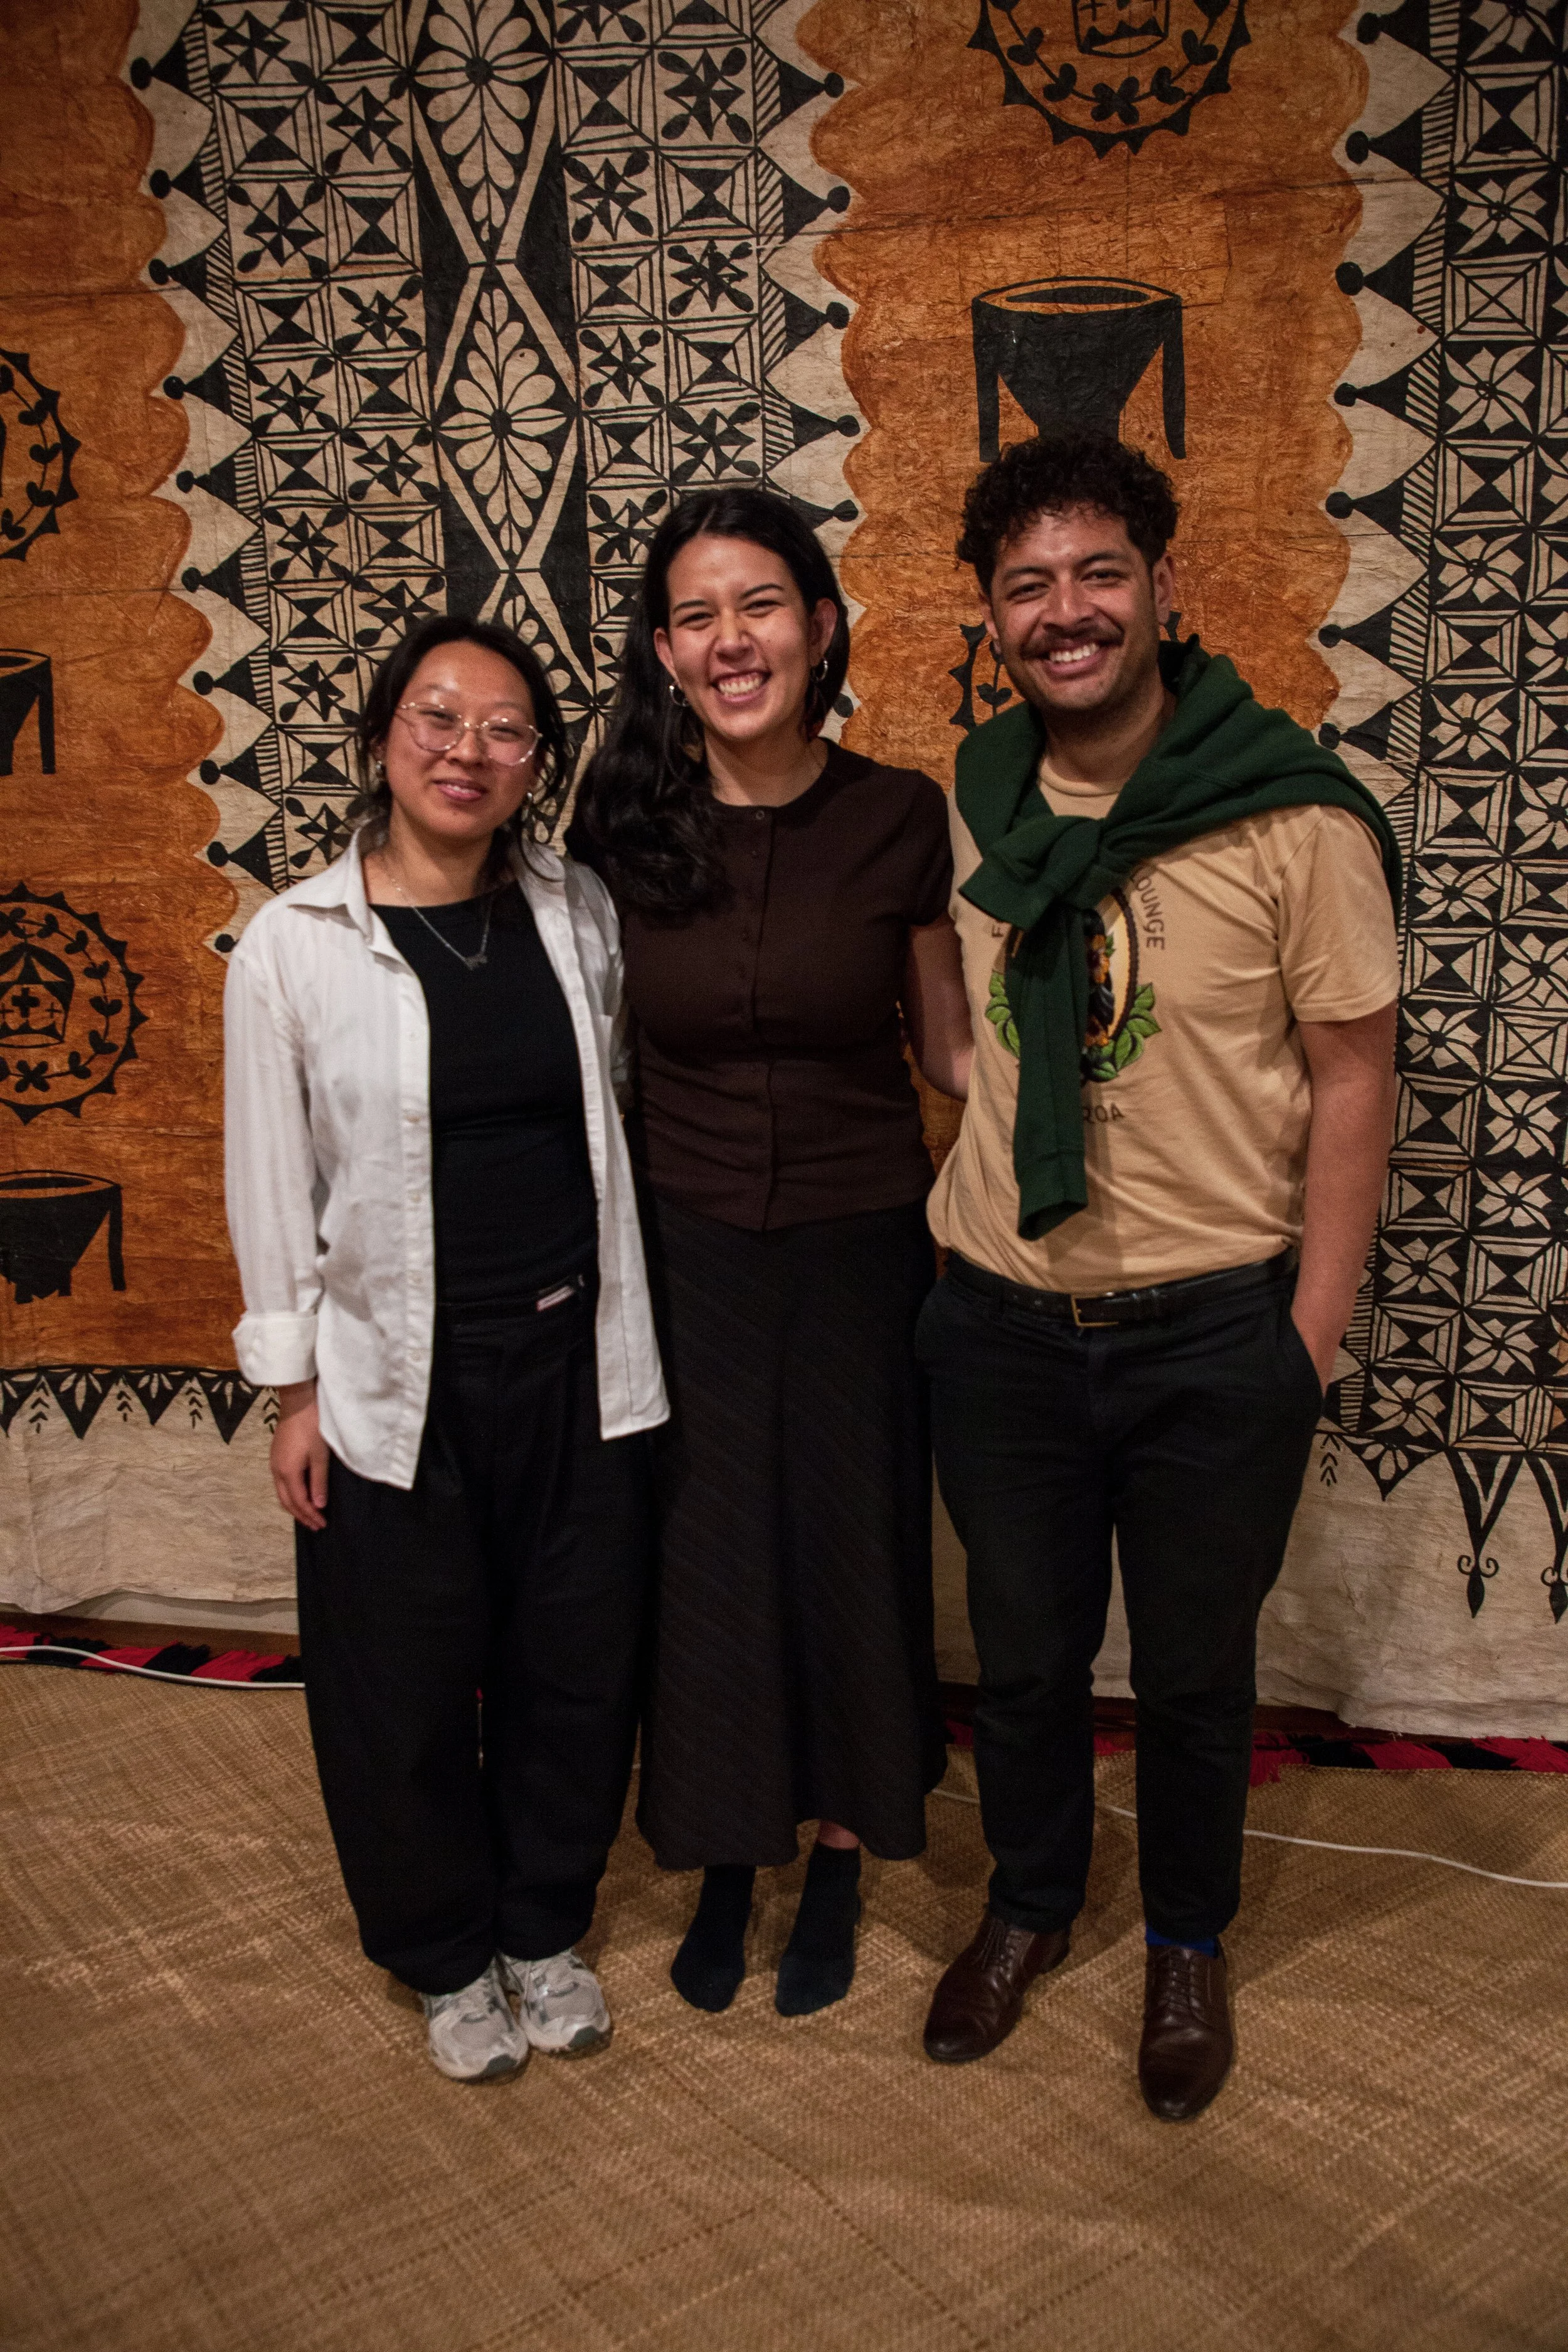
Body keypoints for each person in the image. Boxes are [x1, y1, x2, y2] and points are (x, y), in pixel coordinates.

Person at [918, 433, 1401, 2119]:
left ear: (1162, 586)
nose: (1065, 611)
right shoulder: (975, 796)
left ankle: (1183, 1933)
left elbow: (1355, 1075)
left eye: (1096, 572)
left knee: (1195, 1667)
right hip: (995, 1322)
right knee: (1028, 1653)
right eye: (1027, 586)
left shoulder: (1288, 809)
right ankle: (1032, 1898)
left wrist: (1308, 1337)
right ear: (991, 618)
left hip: (1211, 1330)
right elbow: (960, 1029)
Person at [224, 615, 666, 2084]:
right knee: (398, 1677)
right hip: (386, 1377)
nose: (466, 749)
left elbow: (608, 1121)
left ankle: (541, 1925)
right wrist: (291, 1390)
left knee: (574, 1661)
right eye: (435, 716)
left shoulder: (576, 913)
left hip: (576, 1360)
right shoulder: (293, 945)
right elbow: (269, 1180)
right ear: (378, 739)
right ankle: (439, 1950)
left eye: (503, 728)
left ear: (535, 761)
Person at [570, 486, 973, 2018]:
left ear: (817, 625)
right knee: (710, 1550)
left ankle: (848, 1844)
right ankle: (729, 1851)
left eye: (757, 605)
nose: (728, 639)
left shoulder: (898, 814)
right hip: (685, 1249)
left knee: (852, 1539)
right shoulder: (618, 827)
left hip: (863, 1241)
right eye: (694, 614)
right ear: (664, 651)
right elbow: (583, 1049)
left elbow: (943, 1052)